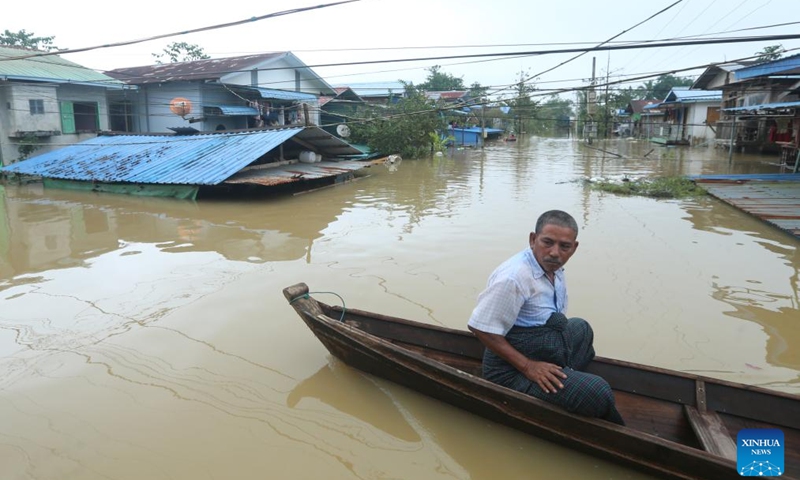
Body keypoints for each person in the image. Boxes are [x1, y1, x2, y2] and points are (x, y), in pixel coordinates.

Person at [467, 210, 624, 425]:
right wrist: (529, 367)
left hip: (540, 348)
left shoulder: (554, 268)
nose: (555, 253)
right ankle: (562, 388)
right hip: (509, 370)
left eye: (564, 247)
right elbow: (481, 328)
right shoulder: (513, 278)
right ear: (533, 239)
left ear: (574, 248)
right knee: (598, 391)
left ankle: (560, 383)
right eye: (547, 242)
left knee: (581, 329)